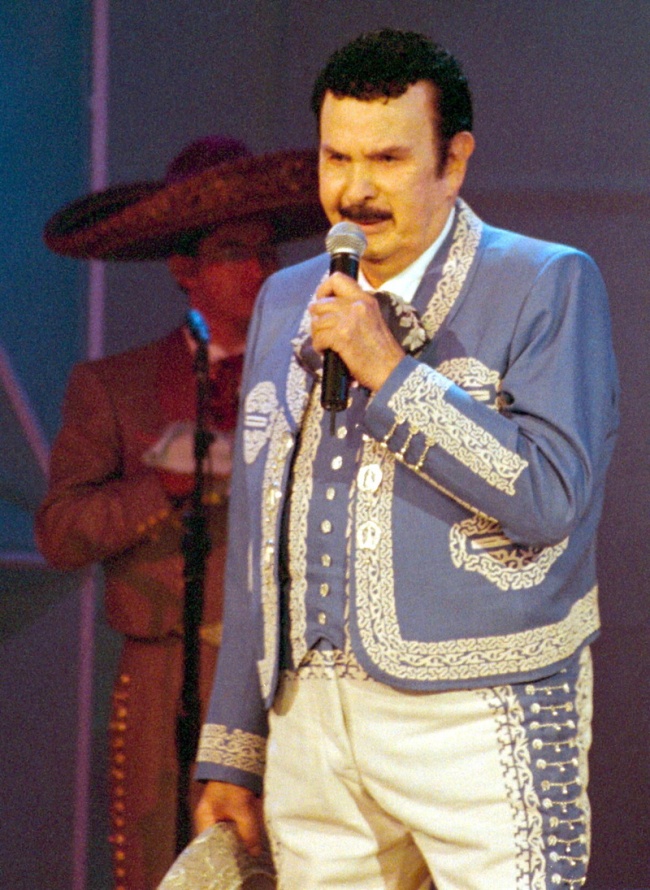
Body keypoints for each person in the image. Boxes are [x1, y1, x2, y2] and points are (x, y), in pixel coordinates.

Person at [194, 29, 619, 890]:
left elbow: (551, 496)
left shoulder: (545, 282)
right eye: (336, 158)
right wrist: (233, 749)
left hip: (482, 717)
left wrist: (389, 371)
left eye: (387, 158)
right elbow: (259, 540)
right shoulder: (287, 296)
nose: (355, 190)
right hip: (311, 723)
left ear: (453, 160)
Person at [36, 136, 325, 890]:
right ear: (184, 268)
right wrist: (160, 486)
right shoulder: (116, 386)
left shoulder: (322, 379)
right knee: (165, 868)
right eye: (233, 251)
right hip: (167, 672)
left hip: (293, 679)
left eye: (267, 251)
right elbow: (60, 533)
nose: (257, 269)